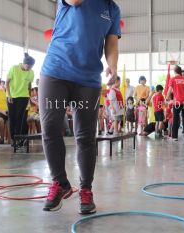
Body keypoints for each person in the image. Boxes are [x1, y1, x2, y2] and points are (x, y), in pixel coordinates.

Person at [39, 0, 121, 214]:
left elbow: (111, 43)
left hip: (88, 79)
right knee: (50, 128)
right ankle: (60, 183)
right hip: (56, 71)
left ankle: (86, 189)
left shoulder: (112, 8)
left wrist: (112, 66)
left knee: (85, 136)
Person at [6, 53, 35, 146]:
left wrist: (29, 96)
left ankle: (18, 139)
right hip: (12, 96)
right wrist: (9, 95)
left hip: (23, 97)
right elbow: (7, 82)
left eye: (31, 67)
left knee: (20, 118)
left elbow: (29, 85)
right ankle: (13, 138)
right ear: (24, 63)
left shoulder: (31, 72)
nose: (29, 68)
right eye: (28, 66)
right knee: (12, 117)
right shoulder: (14, 68)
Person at [166, 65, 184, 141]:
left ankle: (175, 137)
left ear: (174, 71)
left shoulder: (173, 79)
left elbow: (169, 90)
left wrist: (167, 99)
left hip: (177, 102)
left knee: (175, 118)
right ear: (180, 72)